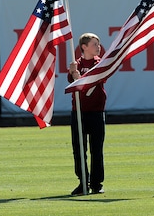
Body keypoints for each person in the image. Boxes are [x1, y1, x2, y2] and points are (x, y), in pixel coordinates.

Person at [67, 33, 105, 195]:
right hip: (79, 112)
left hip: (96, 111)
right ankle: (83, 181)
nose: (98, 47)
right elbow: (73, 83)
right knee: (79, 149)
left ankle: (97, 183)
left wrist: (79, 77)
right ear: (84, 47)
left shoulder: (100, 63)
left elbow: (95, 80)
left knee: (96, 149)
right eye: (95, 44)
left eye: (98, 44)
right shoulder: (77, 64)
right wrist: (74, 73)